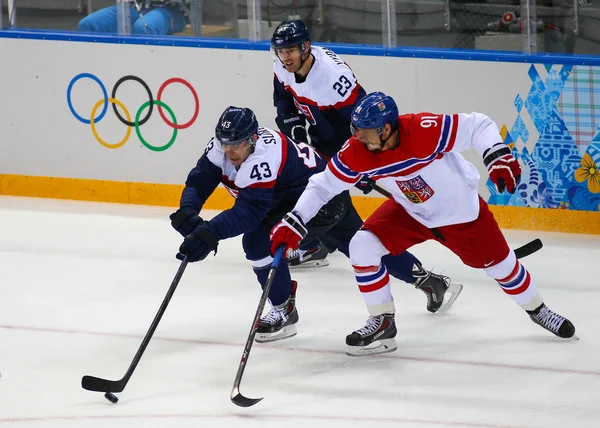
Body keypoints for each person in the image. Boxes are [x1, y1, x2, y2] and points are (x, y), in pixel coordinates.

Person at [270, 92, 577, 356]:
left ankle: (539, 310)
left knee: (503, 268)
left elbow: (478, 124)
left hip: (461, 217)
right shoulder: (357, 151)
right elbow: (323, 186)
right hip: (411, 212)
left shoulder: (423, 129)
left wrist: (497, 156)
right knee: (362, 245)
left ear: (387, 128)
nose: (357, 137)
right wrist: (294, 222)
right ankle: (383, 322)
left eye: (365, 131)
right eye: (356, 130)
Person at [170, 106, 459, 343]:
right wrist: (189, 210)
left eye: (238, 144)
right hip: (304, 196)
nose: (230, 151)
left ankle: (283, 310)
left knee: (258, 241)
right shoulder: (220, 147)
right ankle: (429, 281)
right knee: (360, 246)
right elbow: (200, 179)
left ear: (254, 138)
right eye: (226, 143)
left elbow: (249, 213)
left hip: (320, 200)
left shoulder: (263, 157)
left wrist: (208, 233)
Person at [271, 19, 376, 268]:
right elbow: (284, 99)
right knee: (322, 191)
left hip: (345, 140)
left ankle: (359, 246)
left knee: (327, 193)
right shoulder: (281, 65)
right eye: (281, 51)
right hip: (320, 137)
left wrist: (362, 162)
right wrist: (294, 128)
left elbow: (364, 121)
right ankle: (324, 244)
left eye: (291, 50)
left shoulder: (333, 78)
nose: (285, 57)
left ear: (306, 47)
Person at [78, 1, 187, 35]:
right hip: (132, 7)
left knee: (143, 28)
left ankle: (145, 76)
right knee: (87, 25)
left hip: (170, 9)